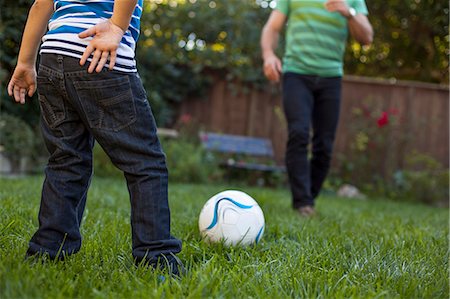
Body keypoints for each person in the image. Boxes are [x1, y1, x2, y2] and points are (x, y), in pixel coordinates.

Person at [7, 0, 183, 275]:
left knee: (67, 160)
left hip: (53, 55)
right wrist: (117, 26)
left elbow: (41, 3)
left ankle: (47, 252)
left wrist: (25, 62)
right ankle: (156, 257)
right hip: (99, 52)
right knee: (146, 164)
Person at [261, 0, 373, 216]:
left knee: (324, 145)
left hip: (331, 77)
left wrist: (349, 13)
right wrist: (268, 55)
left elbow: (367, 37)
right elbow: (272, 27)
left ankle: (308, 198)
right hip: (296, 73)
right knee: (299, 132)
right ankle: (303, 203)